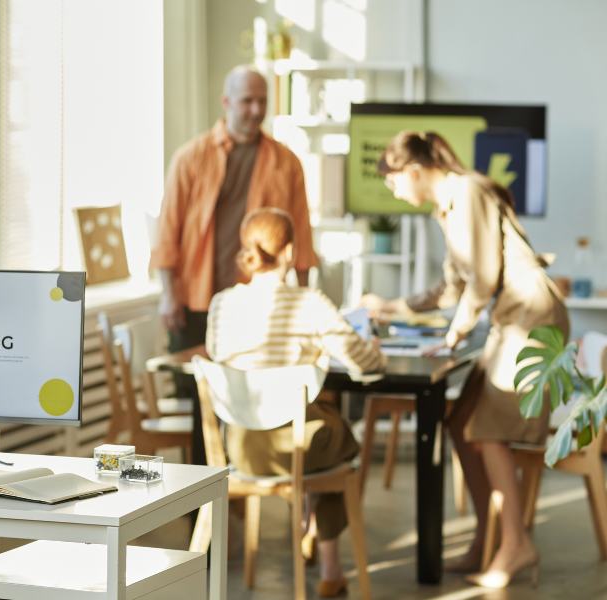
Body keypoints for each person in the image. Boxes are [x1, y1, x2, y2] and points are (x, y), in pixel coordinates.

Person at [361, 131, 569, 588]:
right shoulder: (448, 208)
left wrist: (456, 333)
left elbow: (484, 276)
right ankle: (488, 537)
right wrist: (394, 306)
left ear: (413, 170)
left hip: (531, 318)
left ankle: (515, 543)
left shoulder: (468, 192)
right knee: (460, 422)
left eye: (394, 181)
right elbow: (453, 288)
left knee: (487, 429)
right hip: (511, 318)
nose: (394, 191)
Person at [207, 208, 386, 598]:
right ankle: (330, 566)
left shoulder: (222, 304)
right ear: (288, 252)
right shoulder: (310, 304)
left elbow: (222, 360)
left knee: (323, 429)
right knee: (341, 440)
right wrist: (375, 350)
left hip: (238, 449)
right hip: (295, 449)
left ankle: (310, 531)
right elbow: (365, 365)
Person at [151, 64, 318, 366]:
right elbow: (168, 229)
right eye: (247, 100)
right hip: (194, 298)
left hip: (254, 302)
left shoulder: (287, 163)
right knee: (194, 395)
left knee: (245, 396)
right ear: (226, 101)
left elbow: (301, 234)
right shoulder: (189, 158)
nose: (256, 110)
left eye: (263, 101)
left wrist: (302, 295)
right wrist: (169, 292)